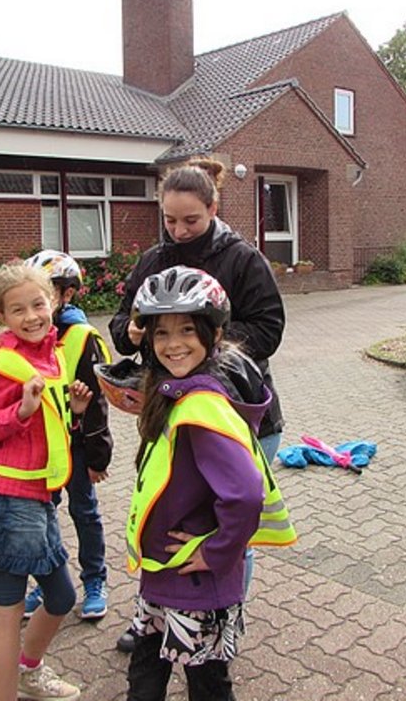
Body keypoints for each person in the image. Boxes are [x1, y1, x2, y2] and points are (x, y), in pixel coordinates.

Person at [109, 158, 286, 651]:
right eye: (170, 220)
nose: (179, 230)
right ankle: (155, 617)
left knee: (228, 530)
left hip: (237, 413)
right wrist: (134, 331)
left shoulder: (243, 259)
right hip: (169, 416)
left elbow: (269, 329)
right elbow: (120, 325)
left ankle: (221, 622)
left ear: (213, 207)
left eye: (191, 220)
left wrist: (204, 335)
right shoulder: (153, 260)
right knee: (168, 521)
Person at [123, 265, 295, 701]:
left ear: (214, 334)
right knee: (146, 673)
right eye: (161, 333)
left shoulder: (202, 407)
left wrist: (216, 551)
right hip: (167, 572)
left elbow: (246, 492)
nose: (173, 344)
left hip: (195, 581)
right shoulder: (177, 391)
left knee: (205, 686)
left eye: (187, 330)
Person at [0, 262, 94, 701]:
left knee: (61, 598)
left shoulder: (52, 355)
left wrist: (74, 412)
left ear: (53, 301)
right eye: (18, 310)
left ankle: (28, 671)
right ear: (2, 316)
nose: (32, 316)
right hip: (4, 501)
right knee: (6, 616)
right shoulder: (5, 365)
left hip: (39, 500)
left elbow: (48, 430)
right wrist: (19, 411)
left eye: (38, 304)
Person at [20, 250, 114, 622]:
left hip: (75, 446)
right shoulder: (26, 337)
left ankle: (94, 580)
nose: (34, 307)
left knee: (84, 511)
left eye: (45, 294)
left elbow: (97, 402)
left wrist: (98, 456)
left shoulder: (81, 337)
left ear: (67, 294)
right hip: (39, 445)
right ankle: (48, 583)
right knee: (44, 515)